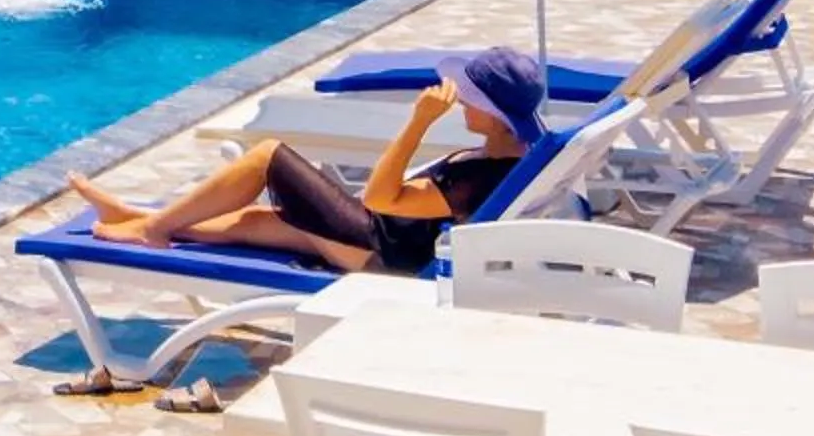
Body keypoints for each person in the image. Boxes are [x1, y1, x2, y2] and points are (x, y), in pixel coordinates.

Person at [64, 45, 548, 278]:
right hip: (388, 239)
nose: (460, 103)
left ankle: (152, 230)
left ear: (493, 112)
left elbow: (381, 197)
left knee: (267, 156)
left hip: (381, 254)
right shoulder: (515, 154)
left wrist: (418, 122)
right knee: (256, 221)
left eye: (469, 98)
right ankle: (137, 217)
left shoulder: (479, 179)